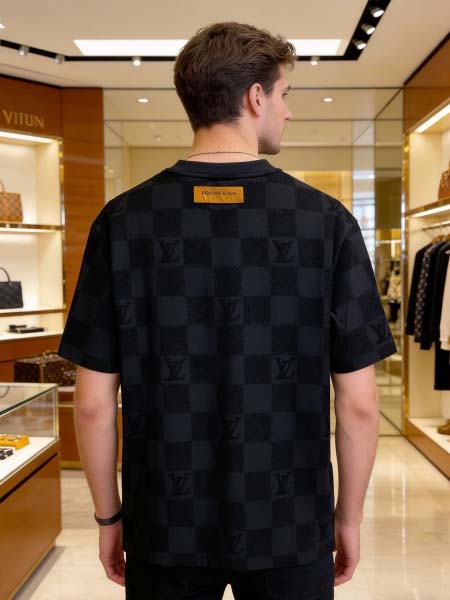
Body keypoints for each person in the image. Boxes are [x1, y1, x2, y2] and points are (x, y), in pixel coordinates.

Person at [58, 21, 398, 600]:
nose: (288, 111)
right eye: (285, 94)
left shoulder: (120, 222)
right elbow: (361, 404)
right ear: (255, 97)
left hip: (164, 526)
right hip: (290, 526)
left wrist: (110, 518)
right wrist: (347, 517)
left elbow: (91, 405)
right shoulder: (328, 223)